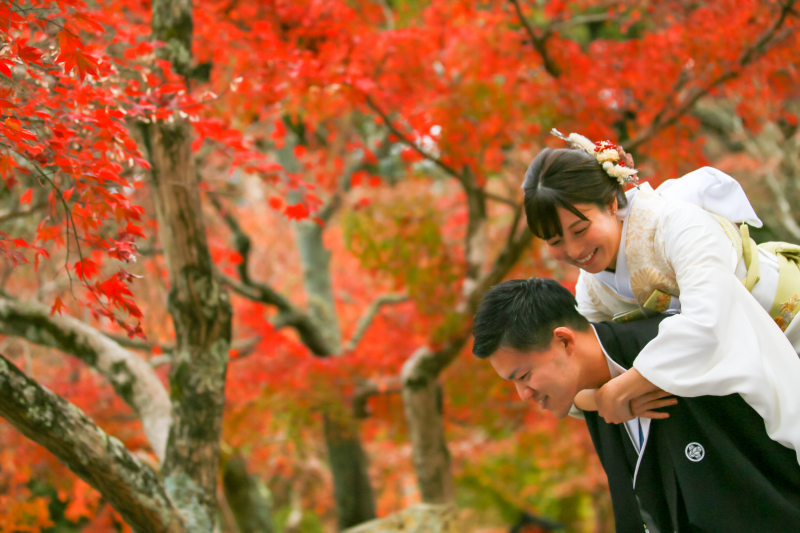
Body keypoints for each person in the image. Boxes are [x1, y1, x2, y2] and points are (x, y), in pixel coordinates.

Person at [521, 131, 800, 434]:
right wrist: (601, 398)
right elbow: (580, 369)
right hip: (743, 372)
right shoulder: (592, 289)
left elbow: (708, 322)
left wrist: (627, 385)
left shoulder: (677, 224)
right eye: (555, 241)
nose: (574, 251)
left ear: (610, 204)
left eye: (580, 230)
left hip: (788, 324)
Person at [472, 278, 800, 533]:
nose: (523, 394)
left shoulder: (682, 346)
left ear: (564, 340)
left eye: (524, 376)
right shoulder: (587, 392)